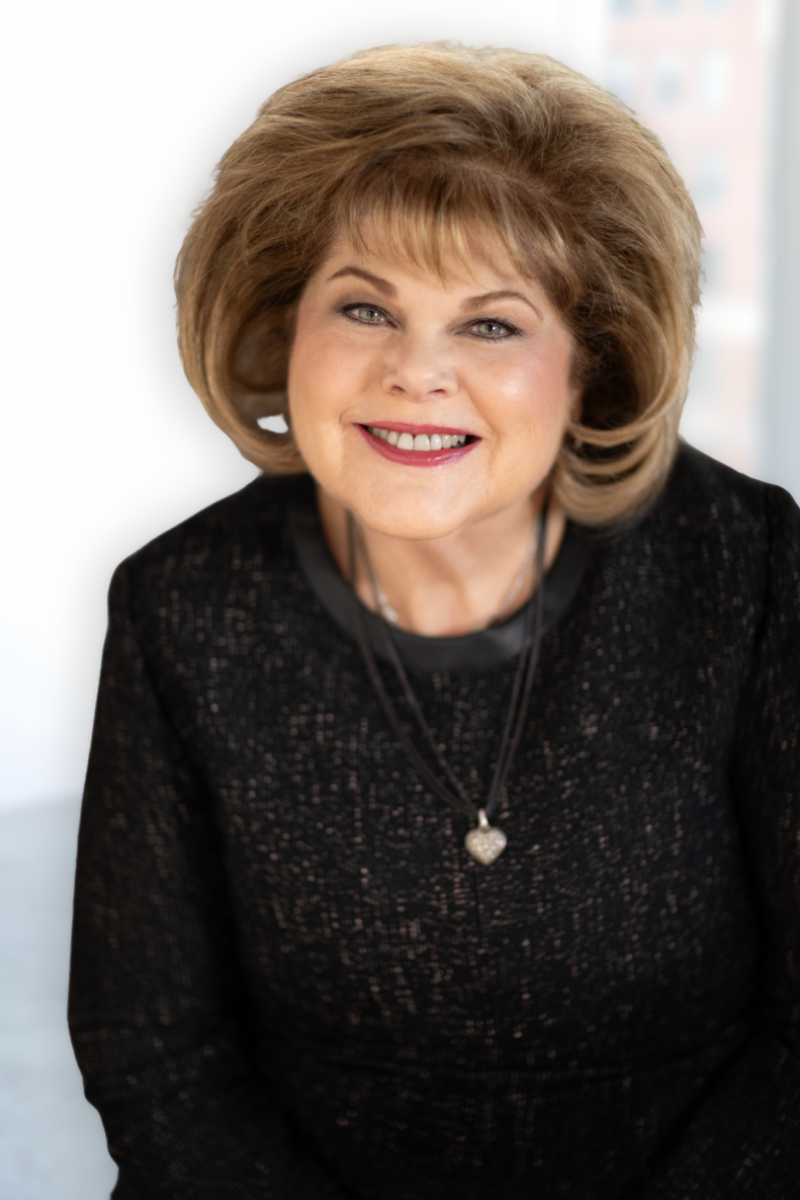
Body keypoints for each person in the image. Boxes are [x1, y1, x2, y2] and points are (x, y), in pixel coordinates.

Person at [68, 43, 800, 1200]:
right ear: (281, 327)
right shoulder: (181, 604)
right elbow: (153, 1052)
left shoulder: (751, 570)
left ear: (588, 367)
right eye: (364, 306)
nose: (416, 372)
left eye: (491, 325)